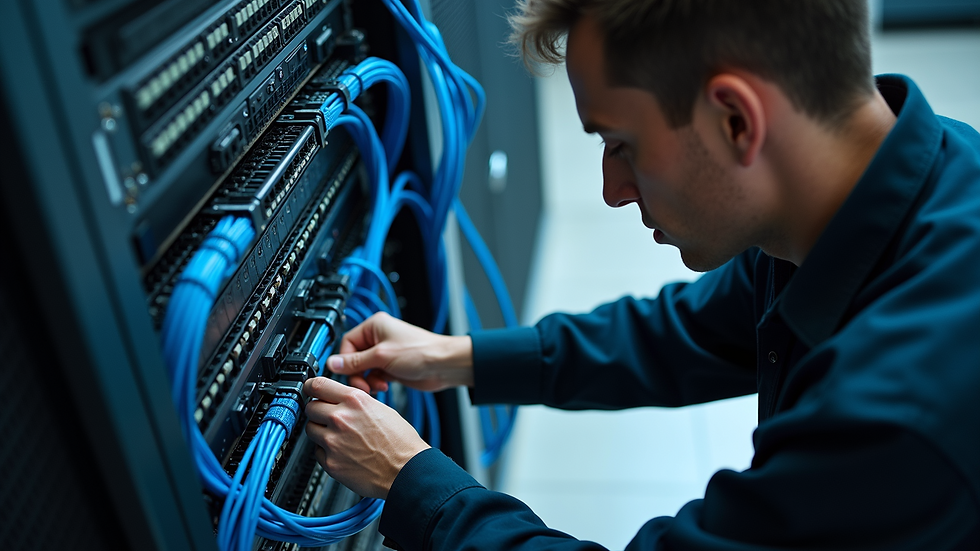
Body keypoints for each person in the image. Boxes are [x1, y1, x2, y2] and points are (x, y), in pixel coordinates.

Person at [301, 0, 980, 549]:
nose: (611, 188)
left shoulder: (898, 415)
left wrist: (410, 480)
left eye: (620, 145)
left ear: (737, 119)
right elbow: (688, 332)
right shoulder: (902, 178)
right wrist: (461, 358)